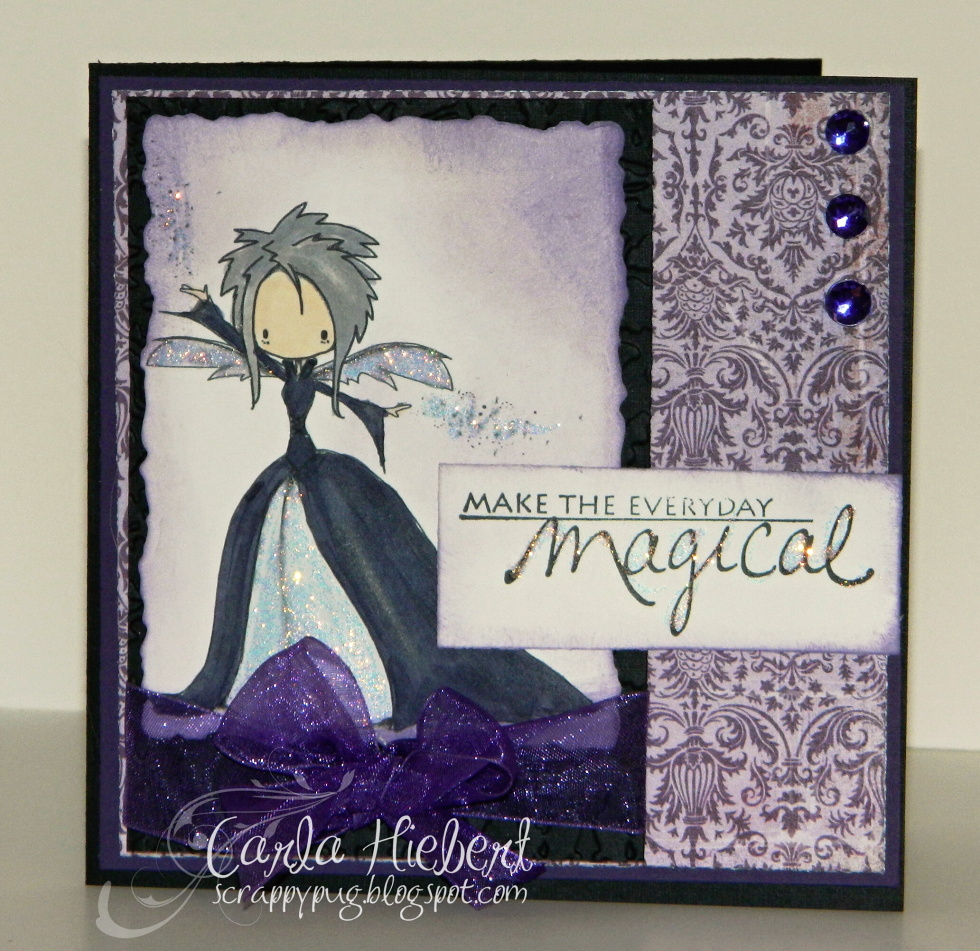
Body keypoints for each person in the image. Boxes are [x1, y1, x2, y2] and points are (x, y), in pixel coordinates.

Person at [157, 205, 591, 729]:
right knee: (271, 566)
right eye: (266, 326)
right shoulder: (278, 370)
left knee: (368, 569)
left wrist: (379, 412)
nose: (289, 336)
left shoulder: (324, 380)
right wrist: (208, 312)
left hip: (323, 476)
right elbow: (244, 347)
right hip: (287, 478)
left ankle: (366, 681)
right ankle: (267, 674)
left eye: (319, 327)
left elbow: (347, 397)